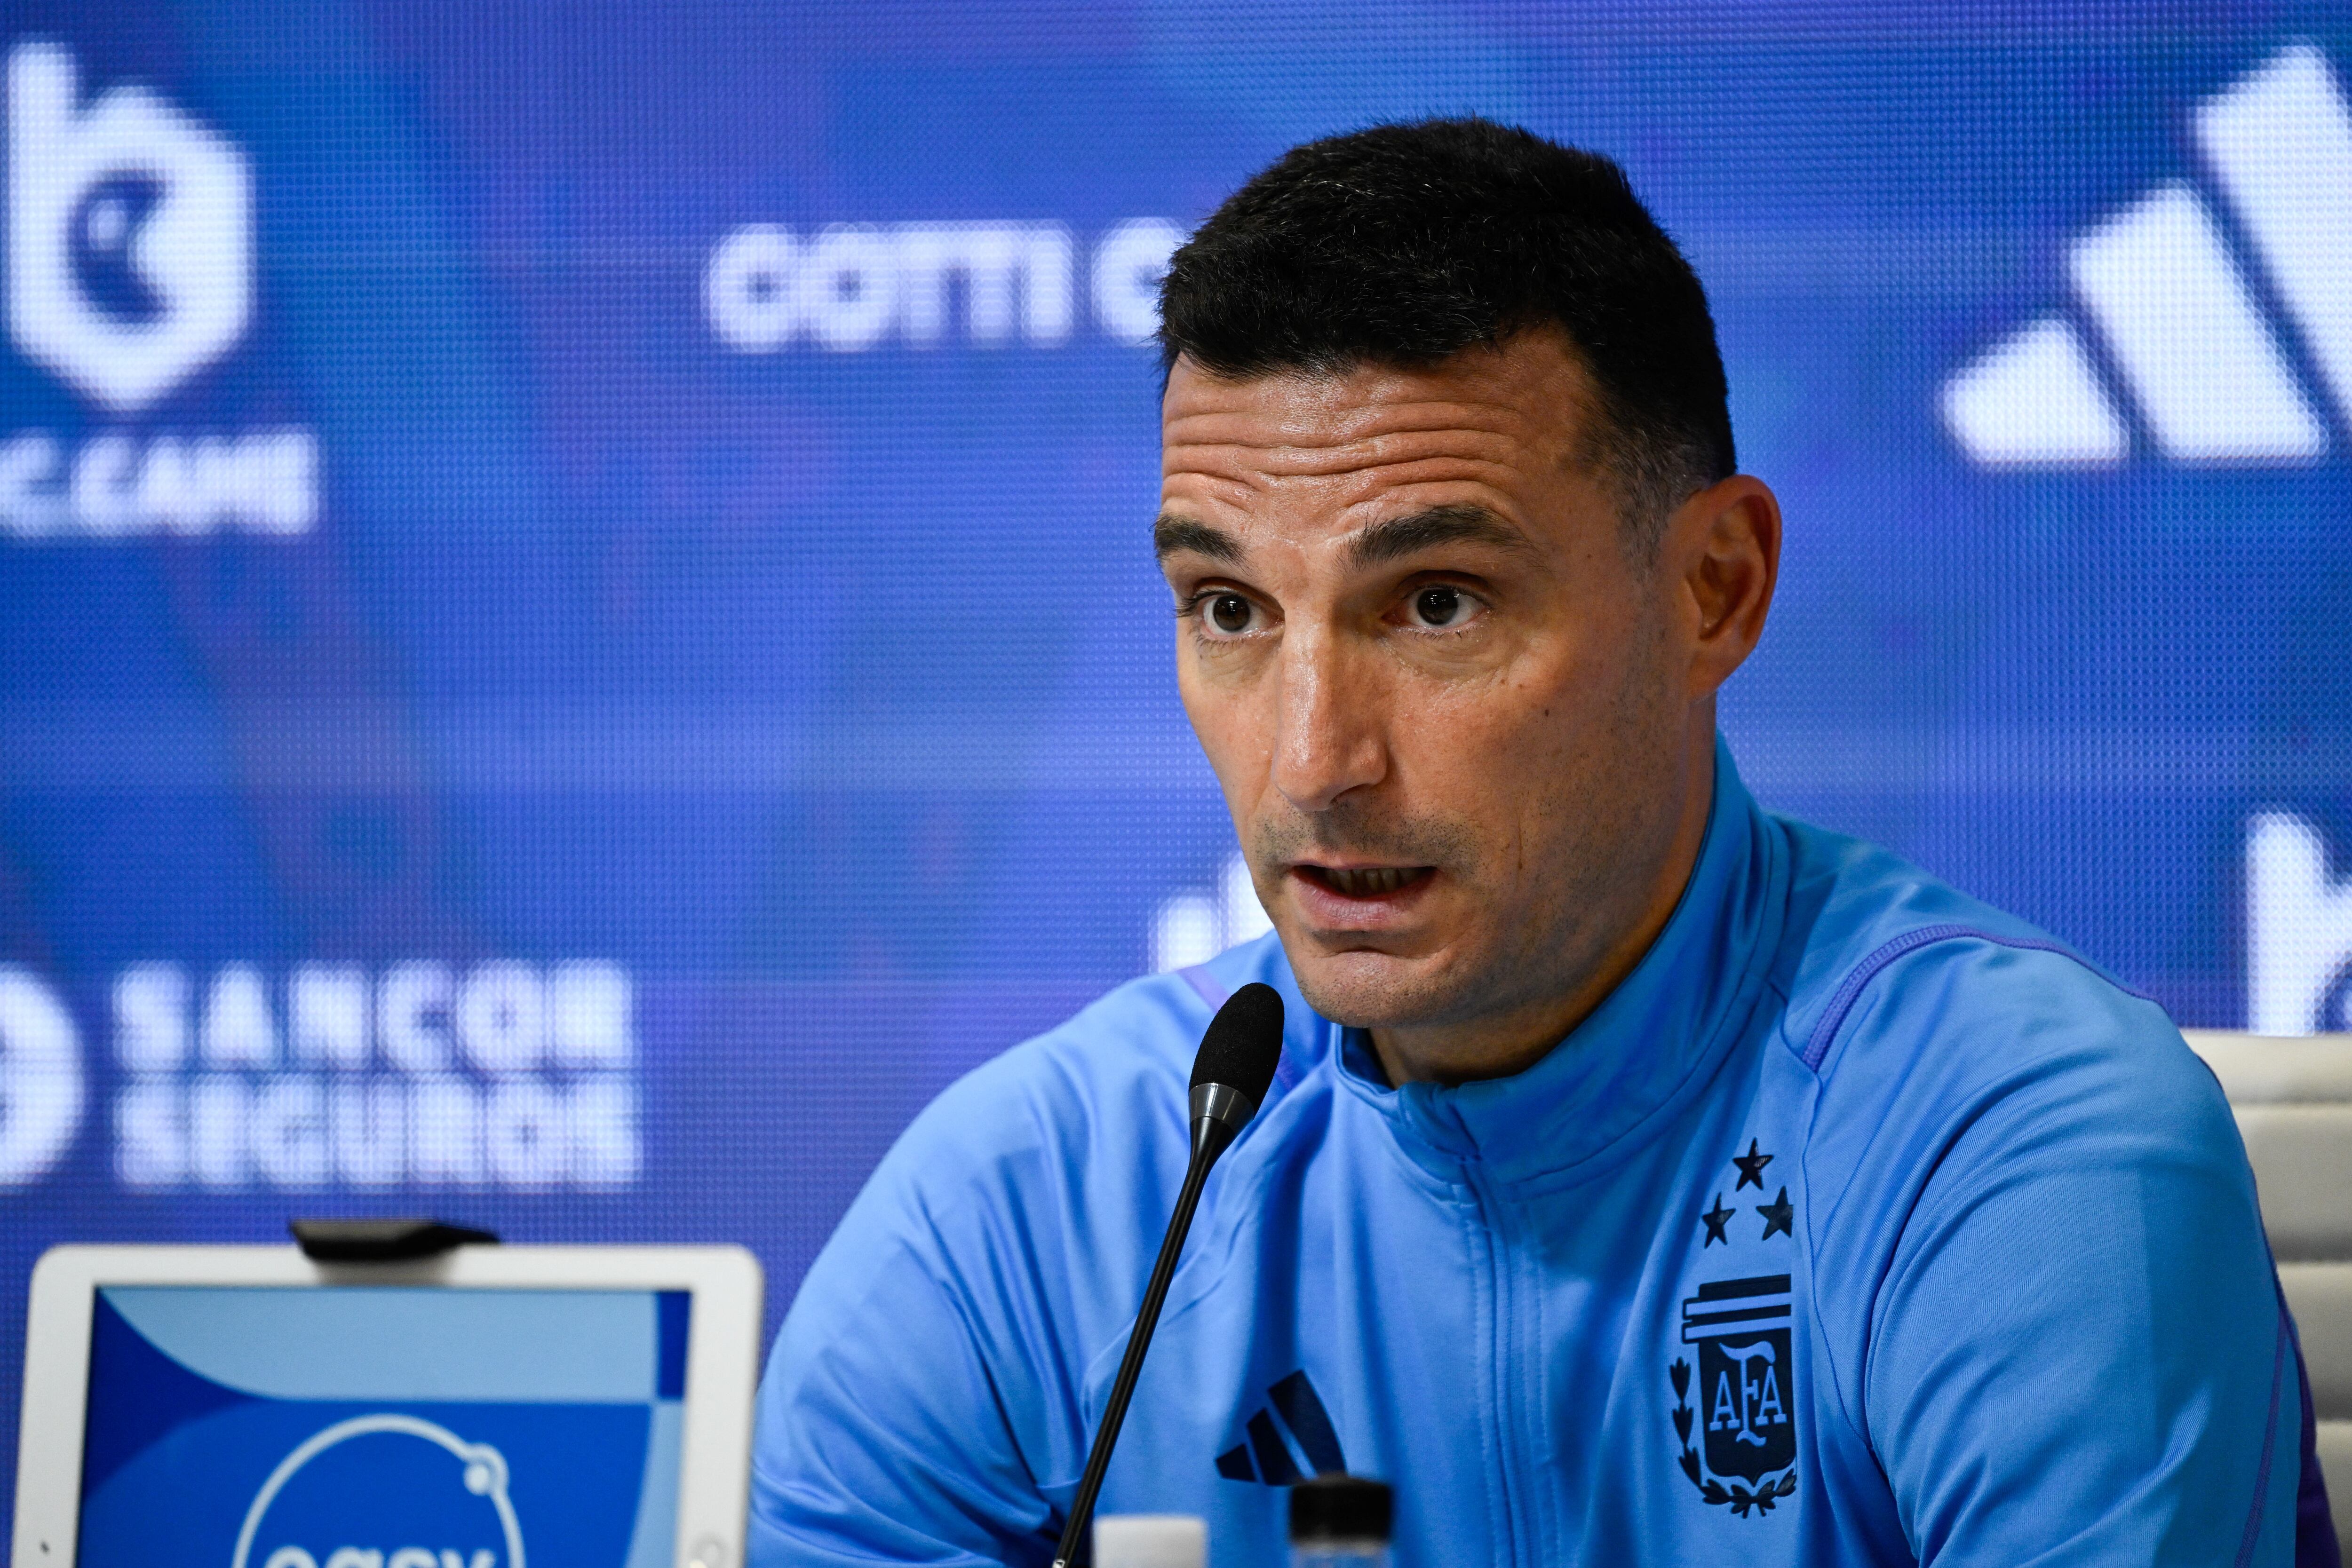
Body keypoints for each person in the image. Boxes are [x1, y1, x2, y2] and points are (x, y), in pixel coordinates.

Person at [747, 119, 2330, 1566]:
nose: (1314, 764)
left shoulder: (2012, 1156)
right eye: (1230, 610)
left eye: (1437, 603)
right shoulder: (1025, 1217)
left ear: (1715, 588)